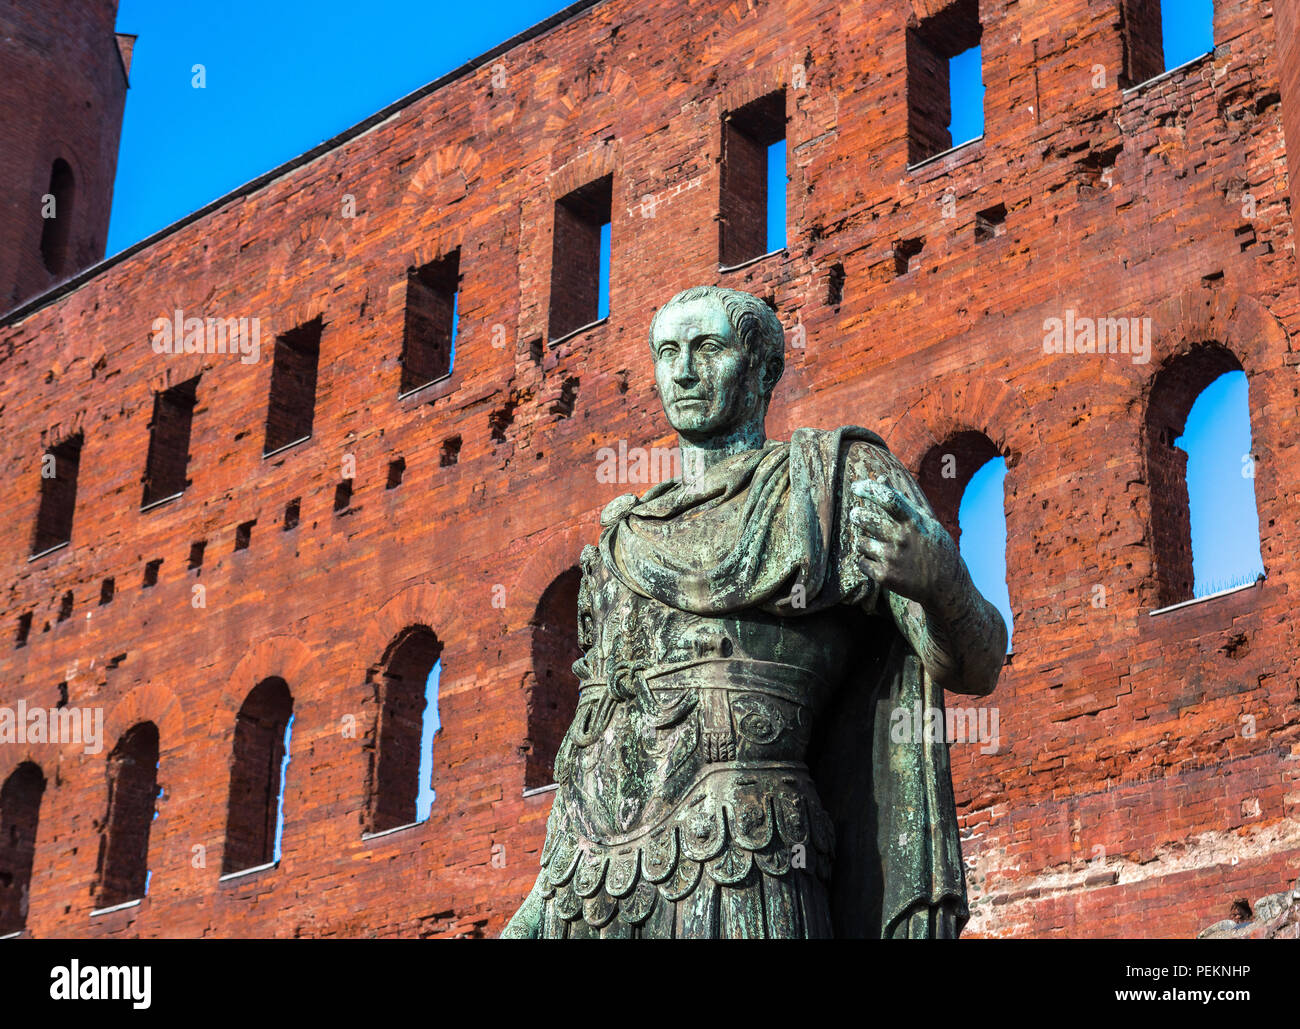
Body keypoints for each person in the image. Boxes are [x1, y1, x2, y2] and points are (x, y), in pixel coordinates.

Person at [503, 286, 1006, 938]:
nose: (683, 371)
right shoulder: (621, 543)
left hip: (746, 854)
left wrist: (944, 583)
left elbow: (976, 664)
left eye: (709, 347)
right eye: (667, 352)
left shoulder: (833, 483)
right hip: (596, 888)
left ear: (764, 368)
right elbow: (594, 750)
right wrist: (537, 907)